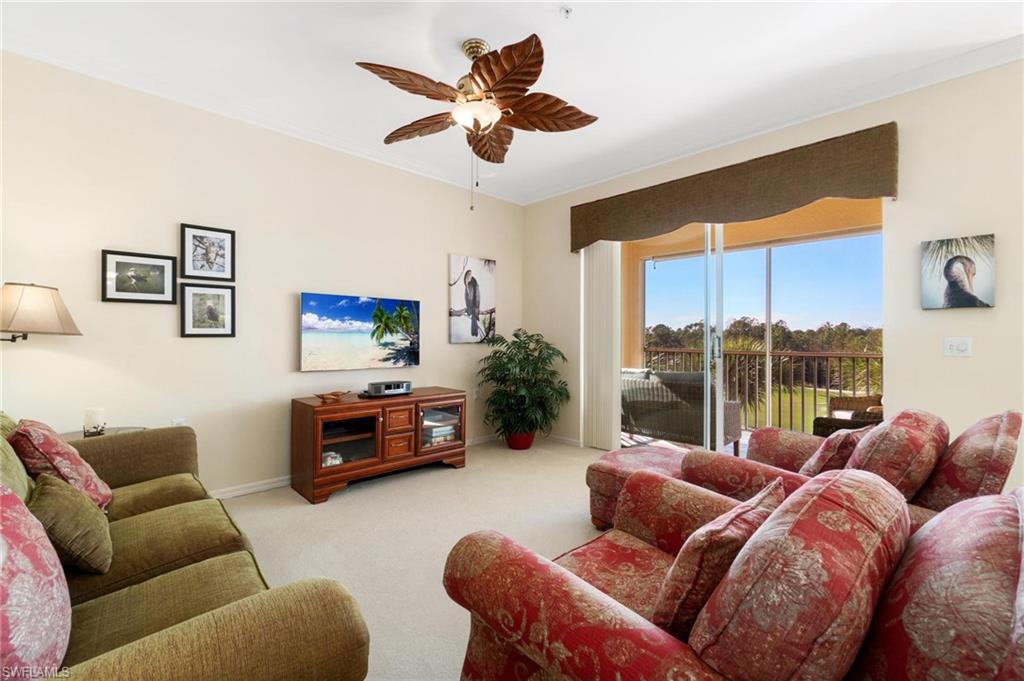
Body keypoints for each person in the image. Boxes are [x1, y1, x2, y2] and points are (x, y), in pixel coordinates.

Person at [464, 269, 480, 337]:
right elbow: (467, 297)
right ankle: (474, 332)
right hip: (471, 307)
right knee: (473, 319)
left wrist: (476, 307)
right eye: (468, 274)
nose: (470, 275)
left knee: (474, 318)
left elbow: (477, 296)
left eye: (470, 273)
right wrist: (468, 307)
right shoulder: (467, 284)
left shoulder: (474, 283)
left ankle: (474, 332)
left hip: (474, 306)